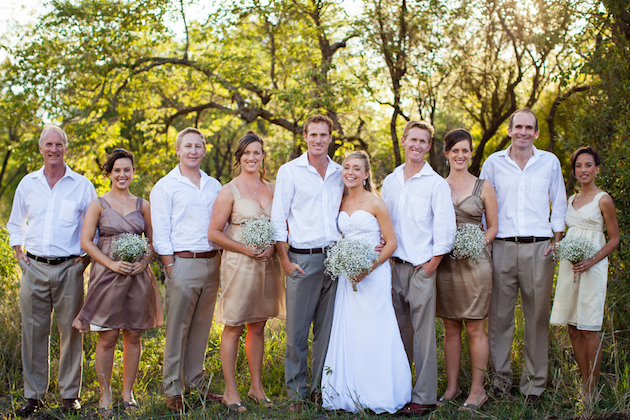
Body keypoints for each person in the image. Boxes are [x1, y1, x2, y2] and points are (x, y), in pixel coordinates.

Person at [7, 125, 96, 417]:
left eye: (59, 144)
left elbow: (93, 227)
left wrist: (84, 261)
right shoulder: (28, 184)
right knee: (34, 332)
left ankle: (70, 395)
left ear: (66, 148)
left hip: (69, 268)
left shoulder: (82, 185)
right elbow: (15, 222)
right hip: (33, 267)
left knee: (71, 332)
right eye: (48, 144)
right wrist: (19, 253)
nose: (54, 149)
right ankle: (33, 396)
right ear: (40, 148)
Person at [479, 108, 567, 405]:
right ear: (509, 130)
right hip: (501, 247)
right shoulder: (493, 163)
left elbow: (559, 201)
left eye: (529, 128)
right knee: (499, 318)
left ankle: (534, 386)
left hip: (539, 248)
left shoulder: (549, 162)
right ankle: (500, 382)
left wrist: (557, 239)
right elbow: (483, 203)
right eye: (519, 127)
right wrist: (487, 241)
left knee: (536, 318)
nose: (523, 132)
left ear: (536, 133)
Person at [72, 149, 163, 416]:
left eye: (127, 170)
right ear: (109, 173)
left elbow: (152, 242)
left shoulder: (143, 205)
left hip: (136, 277)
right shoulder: (98, 204)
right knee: (108, 336)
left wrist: (144, 263)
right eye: (117, 170)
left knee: (133, 334)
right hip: (107, 276)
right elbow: (86, 242)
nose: (122, 175)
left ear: (133, 173)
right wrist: (110, 264)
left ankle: (127, 394)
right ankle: (105, 395)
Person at [321, 151, 411, 413]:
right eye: (346, 167)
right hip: (347, 275)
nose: (350, 172)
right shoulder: (339, 201)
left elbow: (391, 244)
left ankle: (380, 392)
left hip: (374, 274)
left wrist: (366, 269)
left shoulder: (376, 203)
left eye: (357, 168)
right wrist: (344, 262)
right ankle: (349, 390)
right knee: (350, 328)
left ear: (366, 174)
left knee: (375, 328)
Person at [270, 114, 344, 412]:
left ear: (330, 138)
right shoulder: (290, 171)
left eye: (323, 135)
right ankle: (296, 395)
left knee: (327, 331)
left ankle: (320, 390)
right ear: (305, 137)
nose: (318, 140)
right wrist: (285, 261)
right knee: (297, 333)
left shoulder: (340, 172)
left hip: (335, 259)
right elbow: (278, 218)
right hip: (302, 259)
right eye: (313, 134)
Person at [382, 120, 457, 416]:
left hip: (420, 269)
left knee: (423, 336)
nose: (417, 145)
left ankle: (424, 396)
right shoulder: (390, 180)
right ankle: (400, 391)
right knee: (399, 333)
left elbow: (445, 229)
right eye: (412, 139)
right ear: (403, 141)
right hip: (392, 268)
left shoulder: (436, 184)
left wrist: (431, 265)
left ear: (428, 146)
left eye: (423, 141)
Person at [208, 131, 285, 412]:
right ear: (239, 157)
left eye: (257, 152)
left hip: (268, 265)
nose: (252, 157)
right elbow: (214, 233)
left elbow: (283, 226)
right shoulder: (229, 191)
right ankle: (230, 391)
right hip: (239, 265)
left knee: (259, 326)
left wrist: (273, 248)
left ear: (263, 156)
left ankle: (256, 388)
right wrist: (245, 249)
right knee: (234, 326)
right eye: (247, 153)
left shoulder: (274, 189)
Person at [150, 127, 223, 411]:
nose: (193, 151)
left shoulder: (214, 185)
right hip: (182, 263)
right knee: (177, 329)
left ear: (204, 150)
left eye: (198, 146)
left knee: (202, 327)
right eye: (188, 146)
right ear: (178, 150)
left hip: (212, 262)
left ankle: (196, 383)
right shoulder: (165, 186)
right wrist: (170, 267)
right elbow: (160, 232)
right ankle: (172, 390)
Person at [550, 146, 619, 403]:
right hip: (571, 267)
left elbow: (614, 239)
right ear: (574, 171)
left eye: (588, 165)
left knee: (589, 328)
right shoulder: (571, 200)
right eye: (578, 166)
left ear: (597, 169)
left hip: (593, 268)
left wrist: (591, 261)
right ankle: (584, 384)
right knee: (573, 328)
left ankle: (592, 390)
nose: (583, 170)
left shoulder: (604, 199)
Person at [435, 129, 498, 411]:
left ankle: (477, 391)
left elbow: (493, 227)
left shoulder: (484, 186)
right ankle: (452, 388)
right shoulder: (438, 186)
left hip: (475, 264)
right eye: (455, 150)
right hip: (446, 264)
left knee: (474, 327)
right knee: (450, 327)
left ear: (471, 153)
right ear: (446, 154)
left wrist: (474, 244)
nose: (460, 155)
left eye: (465, 150)